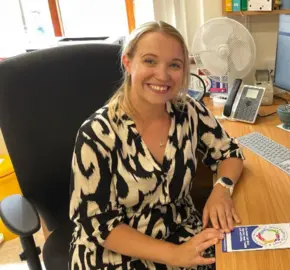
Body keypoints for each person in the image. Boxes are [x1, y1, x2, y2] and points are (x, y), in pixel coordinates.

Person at [68, 20, 245, 269]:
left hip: (181, 233)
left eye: (174, 65)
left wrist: (222, 188)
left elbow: (230, 152)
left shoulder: (188, 111)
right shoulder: (97, 134)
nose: (162, 75)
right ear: (128, 63)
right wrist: (174, 255)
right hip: (114, 251)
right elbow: (98, 224)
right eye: (150, 61)